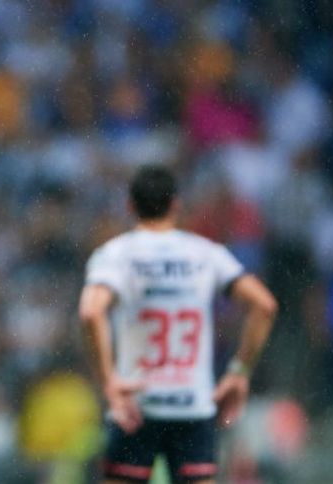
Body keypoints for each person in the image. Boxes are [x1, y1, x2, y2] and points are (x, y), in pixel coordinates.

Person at [78, 165, 277, 484]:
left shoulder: (117, 254)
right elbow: (264, 305)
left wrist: (108, 380)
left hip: (136, 406)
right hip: (193, 406)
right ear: (176, 205)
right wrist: (239, 372)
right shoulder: (206, 253)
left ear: (130, 206)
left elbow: (91, 312)